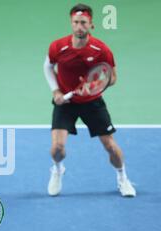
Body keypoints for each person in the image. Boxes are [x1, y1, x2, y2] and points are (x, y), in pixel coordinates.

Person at [43, 3, 136, 197]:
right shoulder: (58, 46)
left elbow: (112, 77)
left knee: (110, 146)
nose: (79, 26)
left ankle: (122, 178)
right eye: (76, 22)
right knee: (57, 148)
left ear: (91, 24)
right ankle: (58, 169)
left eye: (83, 23)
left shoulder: (101, 50)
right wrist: (56, 91)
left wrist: (95, 86)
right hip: (66, 104)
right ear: (71, 23)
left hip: (93, 103)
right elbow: (48, 67)